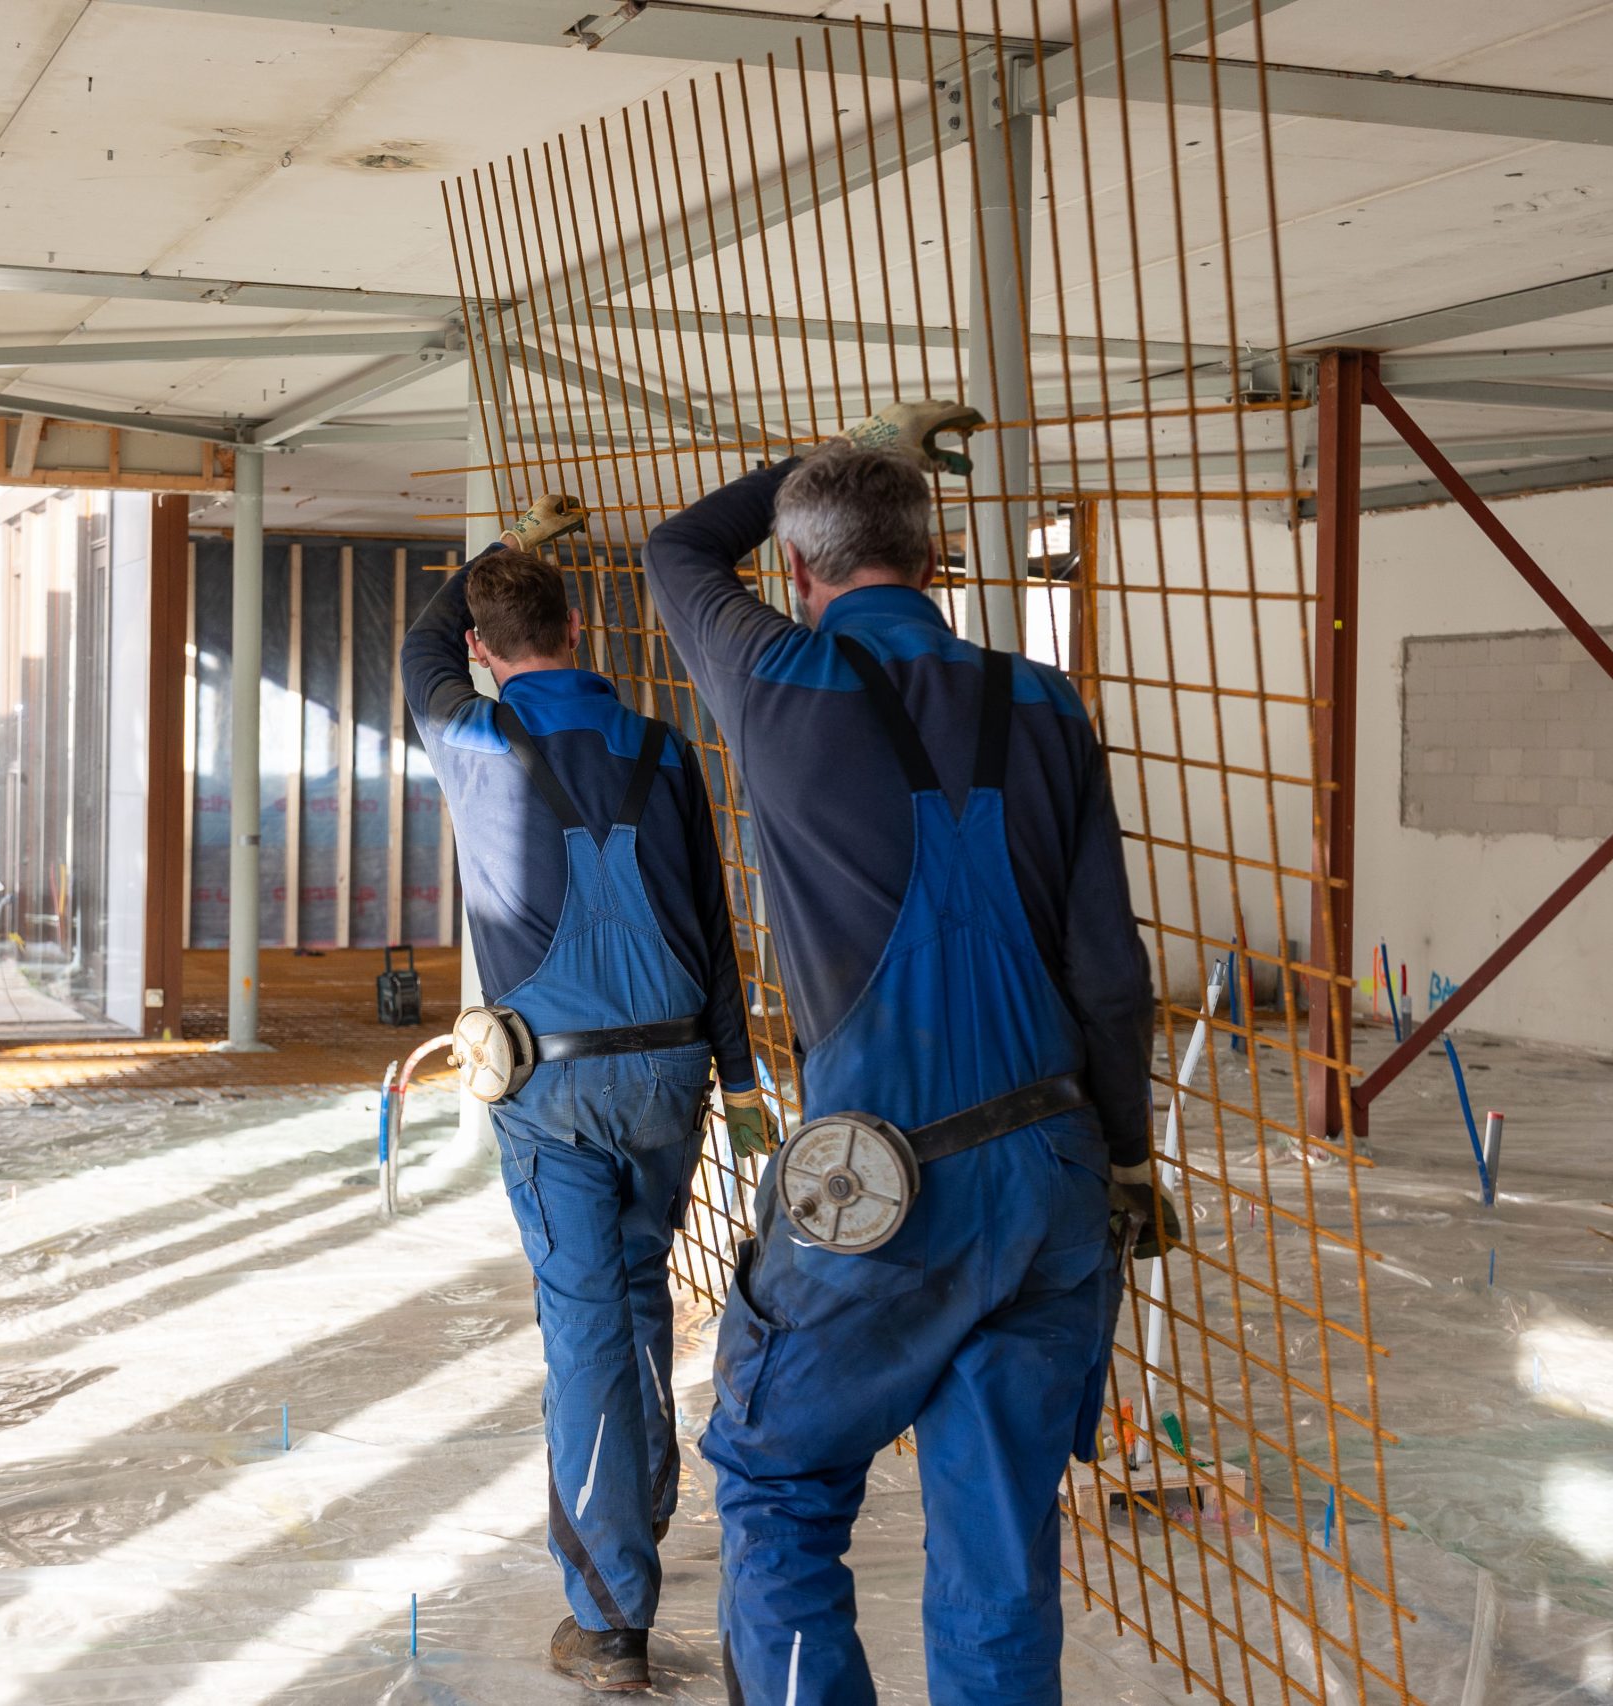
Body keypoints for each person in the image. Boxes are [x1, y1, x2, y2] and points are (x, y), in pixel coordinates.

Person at [643, 407, 1178, 1705]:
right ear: (936, 565)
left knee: (777, 1478)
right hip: (1050, 1178)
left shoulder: (776, 681)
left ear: (805, 577)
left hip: (881, 1190)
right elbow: (1112, 975)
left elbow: (677, 549)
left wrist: (832, 455)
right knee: (1000, 1549)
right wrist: (1118, 1157)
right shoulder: (1045, 705)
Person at [402, 494, 773, 1694]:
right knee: (636, 1294)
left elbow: (417, 647)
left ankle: (610, 1614)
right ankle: (642, 1511)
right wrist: (747, 1076)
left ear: (485, 652)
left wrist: (499, 561)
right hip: (671, 1075)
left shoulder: (474, 740)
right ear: (582, 627)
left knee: (584, 1333)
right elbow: (716, 928)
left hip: (552, 1089)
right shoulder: (667, 750)